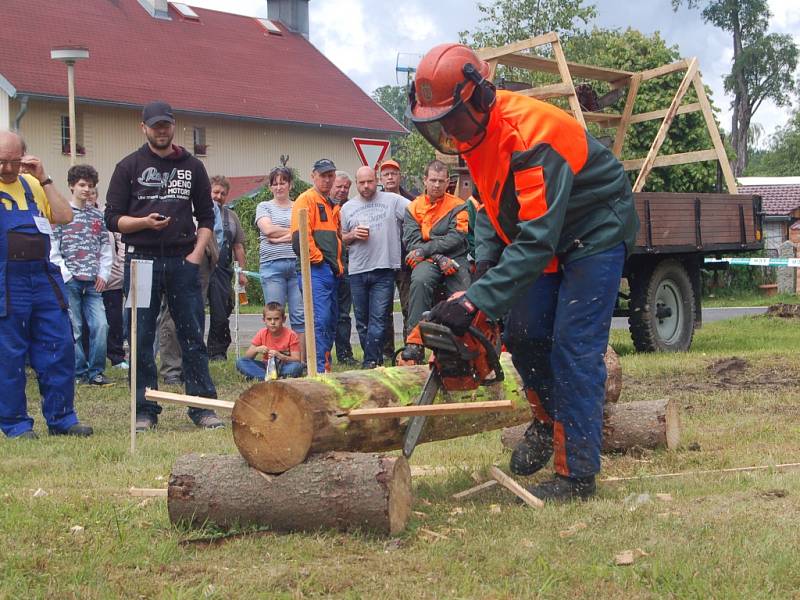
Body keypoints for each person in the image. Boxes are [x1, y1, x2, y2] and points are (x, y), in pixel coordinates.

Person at [408, 44, 639, 501]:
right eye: (438, 123)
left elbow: (536, 241)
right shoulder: (473, 140)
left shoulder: (531, 136)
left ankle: (577, 475)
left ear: (480, 97)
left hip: (595, 229)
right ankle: (549, 419)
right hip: (548, 230)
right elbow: (492, 209)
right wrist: (484, 279)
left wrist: (476, 299)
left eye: (452, 118)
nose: (447, 130)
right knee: (523, 330)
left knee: (573, 346)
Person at [105, 100, 223, 431]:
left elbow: (207, 215)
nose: (161, 130)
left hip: (183, 259)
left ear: (173, 126)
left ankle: (202, 407)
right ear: (143, 128)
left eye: (166, 125)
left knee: (192, 334)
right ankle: (144, 409)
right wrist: (143, 222)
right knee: (140, 335)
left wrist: (197, 253)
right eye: (155, 126)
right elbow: (112, 219)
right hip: (140, 259)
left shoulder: (193, 166)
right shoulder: (128, 166)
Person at [0, 129, 93, 438]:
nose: (8, 169)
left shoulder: (32, 184)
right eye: (1, 162)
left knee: (59, 344)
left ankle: (62, 419)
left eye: (14, 161)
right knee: (9, 353)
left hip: (42, 277)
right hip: (6, 280)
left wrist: (45, 178)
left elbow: (65, 215)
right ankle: (15, 423)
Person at [400, 159, 470, 364]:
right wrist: (438, 257)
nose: (437, 185)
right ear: (425, 180)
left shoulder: (458, 205)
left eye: (441, 180)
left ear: (448, 181)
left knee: (463, 292)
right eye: (433, 180)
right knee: (420, 281)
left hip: (454, 257)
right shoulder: (413, 208)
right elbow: (411, 242)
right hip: (429, 259)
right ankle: (414, 343)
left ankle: (466, 342)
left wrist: (428, 250)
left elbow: (457, 238)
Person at [341, 166, 410, 368]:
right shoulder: (347, 208)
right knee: (361, 321)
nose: (366, 186)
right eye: (362, 182)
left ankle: (370, 361)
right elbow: (343, 238)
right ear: (356, 183)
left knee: (379, 318)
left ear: (376, 180)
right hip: (357, 270)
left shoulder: (392, 201)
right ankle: (375, 359)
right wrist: (352, 235)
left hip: (384, 268)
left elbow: (417, 211)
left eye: (370, 181)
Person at [52, 164, 113, 386]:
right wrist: (65, 274)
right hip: (70, 282)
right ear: (71, 186)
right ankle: (78, 372)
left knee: (101, 326)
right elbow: (53, 247)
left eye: (90, 185)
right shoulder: (61, 214)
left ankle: (96, 371)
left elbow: (106, 248)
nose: (86, 189)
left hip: (93, 282)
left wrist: (104, 274)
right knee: (74, 328)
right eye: (82, 185)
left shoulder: (98, 216)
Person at [290, 158, 344, 373]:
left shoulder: (331, 204)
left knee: (330, 320)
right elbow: (299, 238)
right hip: (315, 269)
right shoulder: (306, 200)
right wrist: (319, 259)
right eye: (323, 175)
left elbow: (337, 241)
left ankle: (325, 365)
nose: (327, 179)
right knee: (320, 320)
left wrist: (338, 265)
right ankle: (319, 367)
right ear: (313, 176)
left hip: (330, 270)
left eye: (331, 175)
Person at [255, 167, 304, 354]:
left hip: (296, 265)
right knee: (274, 316)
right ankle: (274, 360)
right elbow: (267, 230)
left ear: (290, 184)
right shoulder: (264, 206)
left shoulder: (298, 206)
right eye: (274, 183)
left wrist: (281, 236)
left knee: (300, 315)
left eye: (282, 182)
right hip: (272, 266)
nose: (279, 186)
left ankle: (300, 361)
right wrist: (293, 232)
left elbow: (305, 231)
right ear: (270, 187)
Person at [206, 175, 247, 361]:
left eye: (223, 193)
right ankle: (195, 351)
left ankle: (217, 351)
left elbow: (238, 246)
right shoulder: (198, 212)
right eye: (215, 192)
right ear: (208, 191)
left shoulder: (231, 217)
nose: (219, 196)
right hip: (199, 268)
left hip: (222, 270)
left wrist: (242, 273)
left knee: (221, 312)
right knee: (194, 311)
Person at [378, 159, 415, 360]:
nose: (390, 177)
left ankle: (410, 348)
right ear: (380, 178)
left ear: (400, 176)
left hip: (406, 262)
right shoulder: (374, 201)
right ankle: (386, 352)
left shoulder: (412, 200)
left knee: (409, 307)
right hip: (382, 262)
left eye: (394, 173)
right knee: (384, 310)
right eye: (386, 174)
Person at [235, 302, 303, 380]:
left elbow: (297, 359)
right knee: (240, 362)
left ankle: (266, 378)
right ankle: (267, 377)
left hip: (284, 366)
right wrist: (257, 349)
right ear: (264, 320)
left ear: (283, 319)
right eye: (269, 319)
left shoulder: (291, 335)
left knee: (296, 367)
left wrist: (280, 356)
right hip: (265, 366)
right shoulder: (262, 333)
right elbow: (247, 357)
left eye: (276, 319)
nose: (272, 322)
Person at [330, 170, 357, 367]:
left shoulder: (353, 207)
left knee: (343, 314)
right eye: (338, 186)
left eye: (346, 187)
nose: (342, 190)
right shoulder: (322, 205)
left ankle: (345, 353)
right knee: (323, 313)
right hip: (325, 265)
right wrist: (346, 237)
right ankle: (322, 355)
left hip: (347, 265)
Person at [104, 231, 128, 369]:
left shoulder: (108, 210)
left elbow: (122, 242)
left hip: (113, 279)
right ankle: (88, 358)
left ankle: (117, 357)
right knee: (88, 323)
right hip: (85, 278)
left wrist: (117, 268)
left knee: (114, 321)